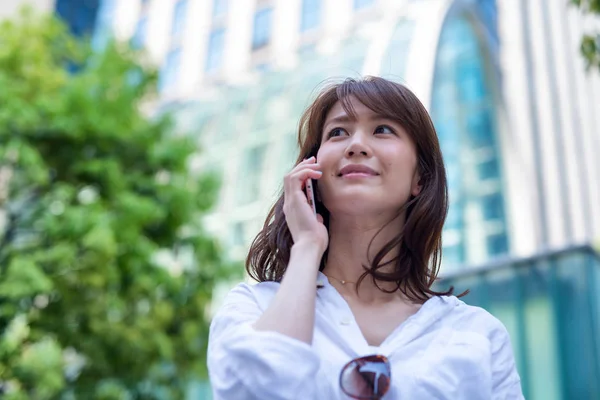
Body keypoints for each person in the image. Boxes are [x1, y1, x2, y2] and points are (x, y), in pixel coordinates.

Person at [207, 76, 524, 399]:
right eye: (338, 132)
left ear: (420, 177)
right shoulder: (254, 308)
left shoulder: (475, 335)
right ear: (311, 172)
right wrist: (307, 247)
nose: (356, 145)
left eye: (383, 129)